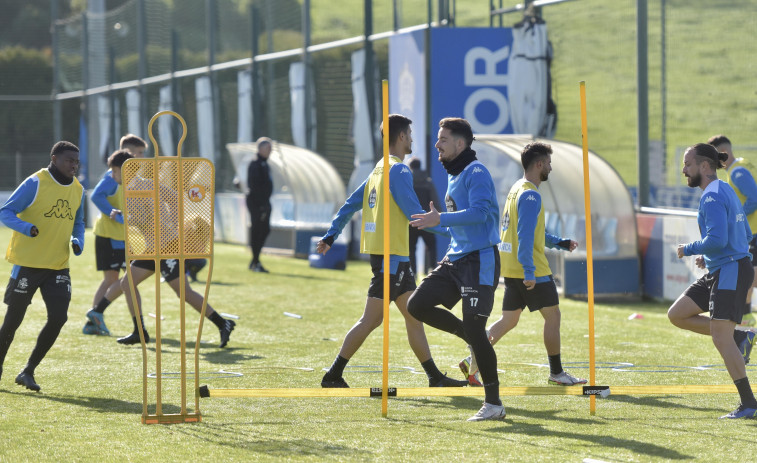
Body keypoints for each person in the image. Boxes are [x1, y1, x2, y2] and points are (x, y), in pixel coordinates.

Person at [318, 114, 465, 389]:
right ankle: (333, 374)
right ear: (400, 137)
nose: (411, 139)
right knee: (372, 319)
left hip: (394, 258)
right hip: (391, 259)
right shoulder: (397, 170)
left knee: (413, 317)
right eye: (409, 134)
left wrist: (331, 234)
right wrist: (455, 232)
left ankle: (434, 376)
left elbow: (350, 204)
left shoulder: (379, 169)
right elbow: (416, 215)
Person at [460, 142, 586, 388]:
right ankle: (557, 373)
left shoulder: (517, 189)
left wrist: (560, 243)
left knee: (509, 320)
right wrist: (530, 271)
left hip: (511, 267)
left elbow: (530, 233)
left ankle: (470, 360)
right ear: (539, 164)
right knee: (553, 316)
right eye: (548, 162)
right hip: (532, 269)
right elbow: (526, 235)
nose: (550, 167)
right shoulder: (530, 194)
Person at [407, 117, 505, 422]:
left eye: (443, 139)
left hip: (479, 260)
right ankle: (472, 337)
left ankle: (494, 404)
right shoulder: (455, 174)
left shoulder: (476, 171)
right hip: (455, 259)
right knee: (416, 305)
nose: (437, 144)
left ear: (460, 144)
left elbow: (478, 214)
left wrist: (440, 220)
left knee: (477, 329)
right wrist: (431, 223)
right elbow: (456, 227)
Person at [668, 143, 757, 419]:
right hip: (723, 267)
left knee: (720, 336)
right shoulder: (725, 189)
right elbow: (745, 232)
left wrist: (691, 248)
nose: (684, 170)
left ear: (704, 167)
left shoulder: (711, 197)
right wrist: (711, 257)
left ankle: (749, 403)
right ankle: (740, 337)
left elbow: (717, 239)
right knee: (677, 314)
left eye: (688, 164)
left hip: (729, 269)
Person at [115, 161, 235, 348]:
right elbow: (166, 203)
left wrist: (173, 224)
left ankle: (223, 323)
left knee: (183, 292)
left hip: (167, 246)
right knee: (127, 283)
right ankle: (140, 331)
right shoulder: (140, 186)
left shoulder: (141, 186)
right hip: (154, 247)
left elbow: (153, 211)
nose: (112, 175)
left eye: (113, 170)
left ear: (122, 171)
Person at [0, 141, 85, 391]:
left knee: (59, 317)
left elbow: (78, 222)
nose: (74, 165)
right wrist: (27, 228)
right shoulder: (35, 183)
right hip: (27, 265)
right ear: (54, 158)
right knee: (13, 321)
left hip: (58, 266)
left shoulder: (79, 189)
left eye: (77, 161)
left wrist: (77, 240)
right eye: (69, 160)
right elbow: (5, 212)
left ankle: (28, 371)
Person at [83, 135, 147, 336]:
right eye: (138, 153)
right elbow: (96, 196)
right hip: (109, 236)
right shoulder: (113, 176)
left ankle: (132, 326)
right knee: (118, 281)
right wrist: (115, 216)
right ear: (127, 151)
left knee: (125, 281)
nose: (140, 157)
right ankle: (97, 318)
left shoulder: (130, 175)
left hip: (123, 237)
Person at [708, 135, 757, 331]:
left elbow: (754, 198)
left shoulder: (737, 173)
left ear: (723, 155)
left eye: (714, 158)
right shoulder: (744, 165)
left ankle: (746, 318)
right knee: (749, 275)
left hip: (754, 232)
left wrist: (737, 218)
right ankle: (746, 316)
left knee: (749, 276)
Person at [407, 157, 440, 276]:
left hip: (412, 221)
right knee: (431, 245)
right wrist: (439, 216)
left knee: (411, 248)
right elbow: (435, 200)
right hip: (427, 220)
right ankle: (433, 269)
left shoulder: (407, 181)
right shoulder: (428, 181)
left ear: (410, 167)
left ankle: (413, 272)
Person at [247, 137, 273, 272]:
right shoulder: (255, 163)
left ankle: (255, 261)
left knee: (265, 230)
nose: (271, 151)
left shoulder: (264, 163)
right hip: (258, 203)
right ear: (261, 149)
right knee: (257, 231)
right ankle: (255, 262)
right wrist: (261, 205)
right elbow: (255, 186)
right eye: (269, 148)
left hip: (264, 202)